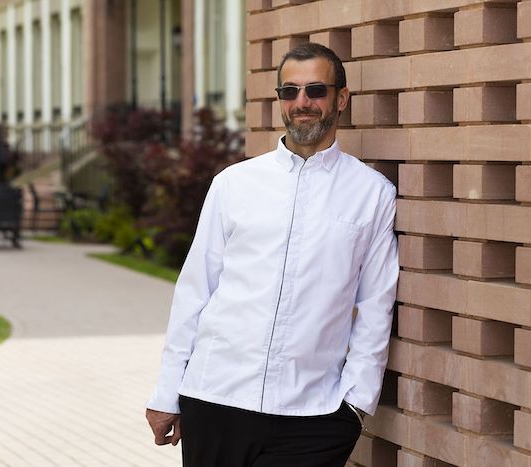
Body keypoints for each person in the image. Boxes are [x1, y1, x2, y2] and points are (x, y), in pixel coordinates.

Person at [146, 42, 399, 467]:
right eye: (290, 91)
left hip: (314, 414)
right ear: (279, 100)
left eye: (316, 90)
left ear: (341, 98)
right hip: (216, 398)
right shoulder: (234, 184)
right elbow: (195, 291)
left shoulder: (372, 195)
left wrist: (356, 403)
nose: (303, 103)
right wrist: (167, 391)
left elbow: (376, 305)